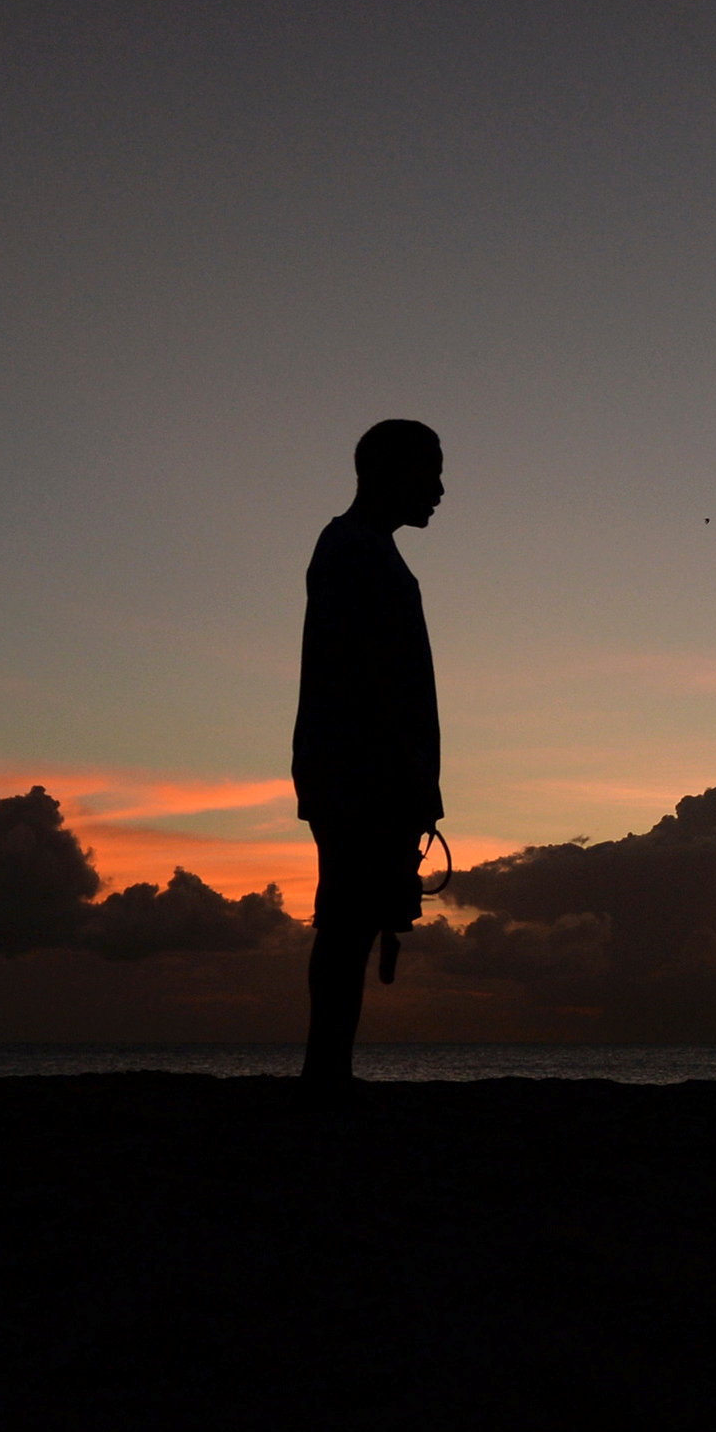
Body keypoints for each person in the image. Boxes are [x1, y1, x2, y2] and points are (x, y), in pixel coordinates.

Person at [292, 418, 445, 1087]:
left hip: (365, 772)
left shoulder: (362, 549)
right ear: (393, 473)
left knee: (353, 922)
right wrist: (401, 776)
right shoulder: (354, 549)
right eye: (430, 471)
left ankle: (330, 1070)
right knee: (348, 923)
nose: (440, 488)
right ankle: (326, 1073)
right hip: (359, 774)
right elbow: (364, 676)